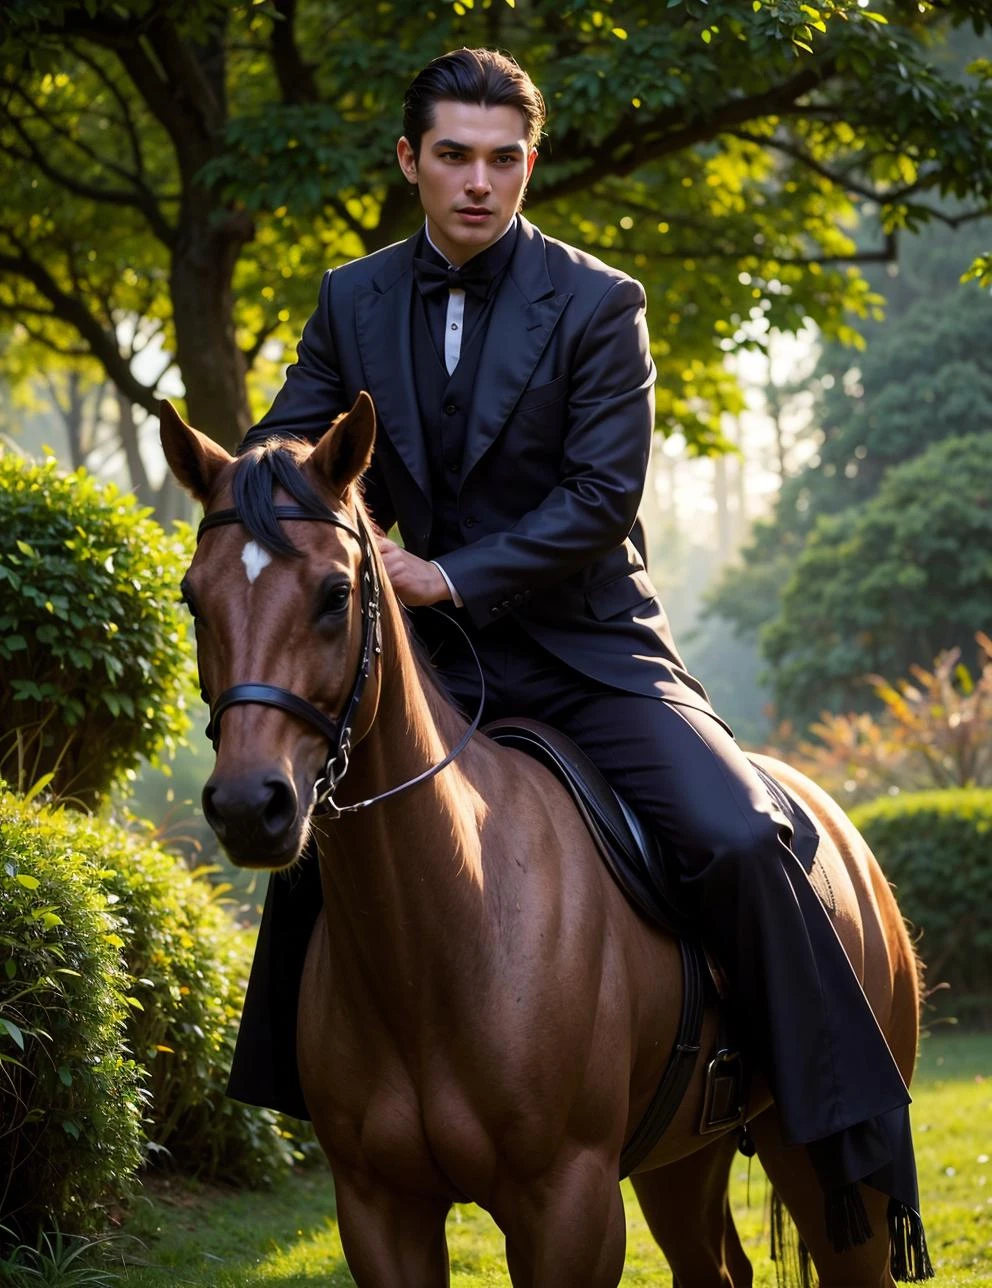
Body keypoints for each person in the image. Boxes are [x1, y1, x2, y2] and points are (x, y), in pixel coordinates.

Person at [232, 46, 928, 1268]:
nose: (477, 182)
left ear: (529, 164)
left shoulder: (599, 301)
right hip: (420, 665)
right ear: (409, 162)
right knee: (316, 837)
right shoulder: (350, 301)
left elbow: (600, 497)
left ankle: (825, 1119)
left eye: (503, 159)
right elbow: (289, 435)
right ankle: (306, 1089)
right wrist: (278, 494)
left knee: (736, 835)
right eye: (452, 155)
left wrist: (445, 572)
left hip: (588, 652)